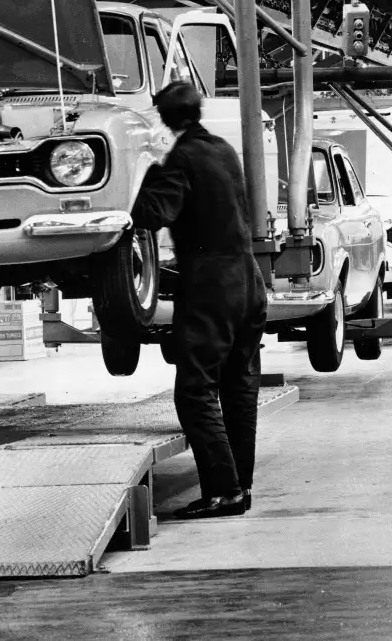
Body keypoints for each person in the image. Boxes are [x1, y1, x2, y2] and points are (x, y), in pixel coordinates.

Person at [132, 81, 267, 520]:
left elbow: (153, 214)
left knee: (195, 392)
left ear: (166, 118)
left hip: (212, 286)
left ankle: (223, 491)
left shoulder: (182, 158)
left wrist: (144, 180)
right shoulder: (224, 150)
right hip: (249, 281)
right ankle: (239, 487)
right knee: (239, 389)